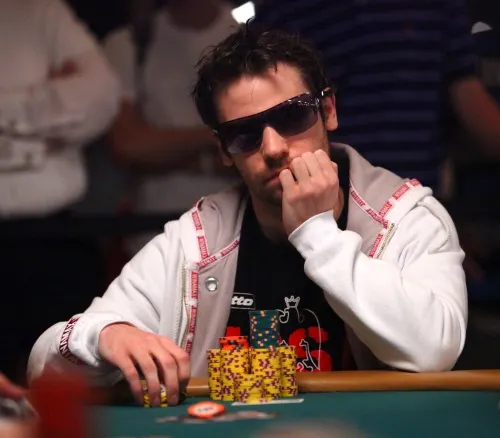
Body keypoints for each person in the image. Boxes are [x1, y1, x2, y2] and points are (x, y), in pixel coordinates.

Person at [27, 25, 468, 408]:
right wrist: (106, 335)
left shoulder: (405, 217)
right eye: (244, 134)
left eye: (292, 116)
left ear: (328, 111)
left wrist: (317, 234)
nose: (273, 148)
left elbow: (435, 350)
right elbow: (42, 364)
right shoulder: (195, 242)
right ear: (224, 150)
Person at [253, 0, 500, 195]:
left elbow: (470, 100)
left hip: (415, 197)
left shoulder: (436, 5)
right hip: (324, 198)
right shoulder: (282, 10)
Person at [0, 0, 120, 381]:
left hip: (57, 242)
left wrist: (11, 113)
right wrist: (44, 103)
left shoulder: (40, 11)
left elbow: (101, 97)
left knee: (73, 382)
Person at [103, 0, 239, 254]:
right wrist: (215, 140)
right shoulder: (129, 42)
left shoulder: (250, 37)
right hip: (154, 239)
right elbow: (128, 145)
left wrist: (161, 153)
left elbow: (259, 146)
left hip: (239, 234)